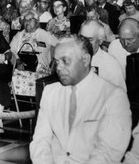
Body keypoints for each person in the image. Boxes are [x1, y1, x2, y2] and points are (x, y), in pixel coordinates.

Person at [29, 35, 131, 163]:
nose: (59, 67)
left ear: (85, 60)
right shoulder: (51, 92)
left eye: (65, 61)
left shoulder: (113, 96)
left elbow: (109, 152)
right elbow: (40, 140)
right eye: (56, 62)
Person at [9, 10, 57, 96]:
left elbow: (58, 45)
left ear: (37, 22)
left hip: (40, 69)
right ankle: (20, 104)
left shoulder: (44, 34)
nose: (27, 22)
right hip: (22, 67)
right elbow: (11, 50)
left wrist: (54, 62)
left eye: (30, 20)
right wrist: (18, 61)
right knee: (12, 76)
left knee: (26, 77)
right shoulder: (19, 35)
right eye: (25, 20)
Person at [79, 20, 126, 91]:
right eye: (82, 38)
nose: (84, 43)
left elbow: (120, 96)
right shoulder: (72, 59)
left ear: (100, 41)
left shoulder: (111, 65)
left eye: (90, 39)